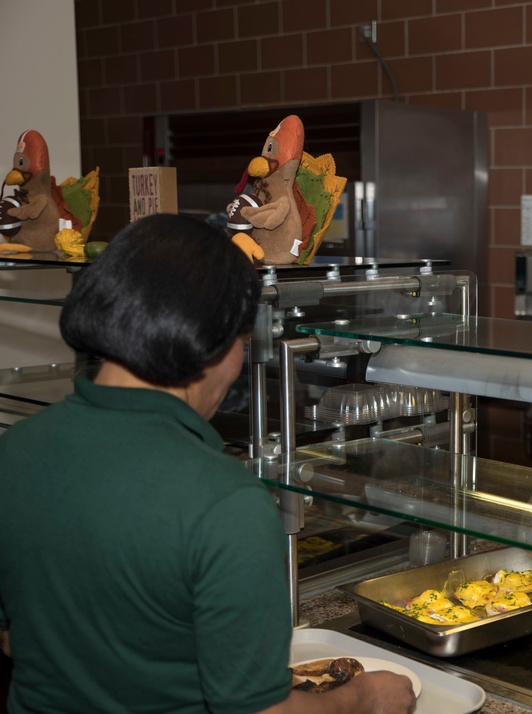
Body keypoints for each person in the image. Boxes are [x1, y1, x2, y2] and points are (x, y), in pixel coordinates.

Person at [0, 214, 415, 714]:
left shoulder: (15, 450)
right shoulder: (224, 501)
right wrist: (366, 698)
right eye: (242, 343)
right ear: (211, 343)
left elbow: (16, 639)